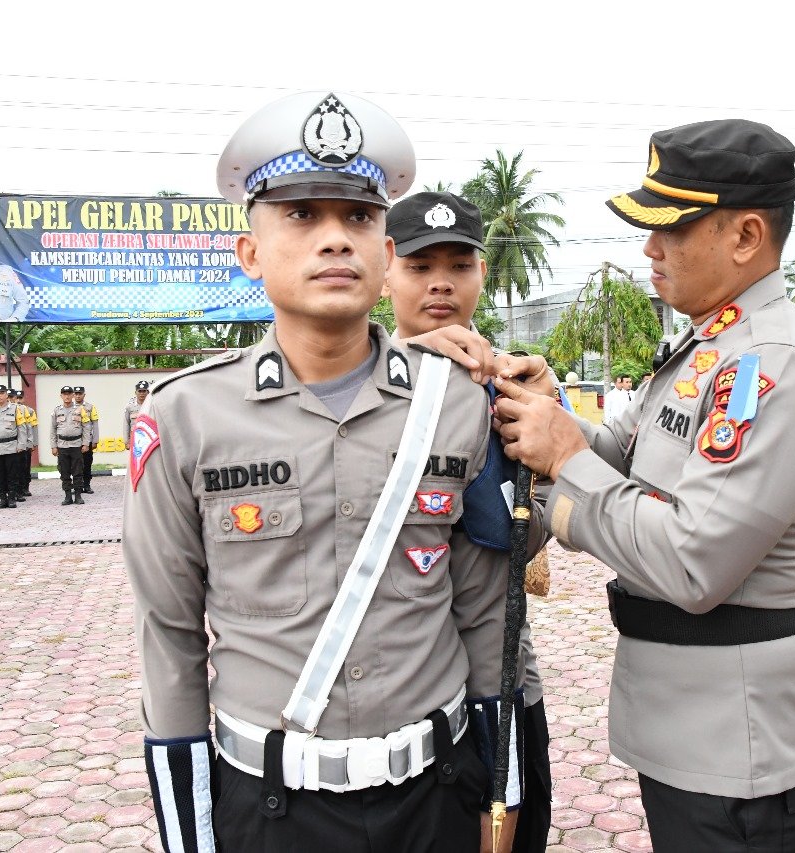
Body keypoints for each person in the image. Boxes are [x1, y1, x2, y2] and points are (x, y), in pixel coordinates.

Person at [124, 90, 511, 853]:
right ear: (251, 252)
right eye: (302, 216)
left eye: (359, 218)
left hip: (433, 798)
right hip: (269, 808)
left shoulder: (455, 405)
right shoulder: (184, 415)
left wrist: (504, 787)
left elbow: (484, 614)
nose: (336, 239)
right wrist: (189, 835)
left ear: (385, 252)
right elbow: (169, 634)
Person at [494, 119, 795, 852]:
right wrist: (553, 415)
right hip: (695, 735)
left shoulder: (773, 366)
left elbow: (693, 560)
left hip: (740, 755)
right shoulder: (709, 345)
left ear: (746, 235)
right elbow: (628, 464)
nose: (650, 248)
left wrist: (564, 459)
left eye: (671, 228)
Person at [383, 189, 551, 853]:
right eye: (422, 266)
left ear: (484, 272)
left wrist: (529, 415)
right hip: (402, 693)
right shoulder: (362, 387)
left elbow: (524, 534)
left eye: (460, 264)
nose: (442, 283)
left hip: (505, 680)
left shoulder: (513, 383)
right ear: (387, 269)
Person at [50, 385, 89, 505]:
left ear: (72, 395)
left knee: (78, 471)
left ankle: (78, 495)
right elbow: (53, 429)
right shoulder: (57, 410)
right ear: (61, 396)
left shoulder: (80, 409)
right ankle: (67, 496)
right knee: (64, 471)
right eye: (64, 394)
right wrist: (53, 446)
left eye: (69, 394)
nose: (67, 396)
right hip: (62, 445)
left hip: (76, 444)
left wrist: (86, 443)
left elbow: (86, 427)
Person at [72, 386, 100, 493]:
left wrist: (95, 440)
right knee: (75, 465)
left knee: (87, 463)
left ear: (84, 395)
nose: (78, 396)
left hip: (87, 440)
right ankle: (77, 486)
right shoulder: (69, 407)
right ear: (73, 395)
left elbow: (95, 424)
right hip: (74, 440)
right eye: (76, 394)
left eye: (80, 393)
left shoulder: (90, 407)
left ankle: (87, 485)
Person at [12, 388, 35, 497]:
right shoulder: (10, 409)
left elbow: (32, 428)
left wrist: (32, 443)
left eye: (20, 398)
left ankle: (25, 487)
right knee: (15, 468)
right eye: (16, 398)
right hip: (12, 443)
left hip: (25, 443)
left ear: (24, 398)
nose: (18, 400)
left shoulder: (29, 411)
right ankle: (16, 488)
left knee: (25, 467)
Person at [123, 381, 150, 449]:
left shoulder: (151, 405)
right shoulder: (129, 407)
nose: (142, 393)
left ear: (148, 392)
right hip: (135, 438)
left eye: (144, 391)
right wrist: (127, 441)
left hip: (149, 438)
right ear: (136, 392)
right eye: (139, 391)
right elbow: (126, 424)